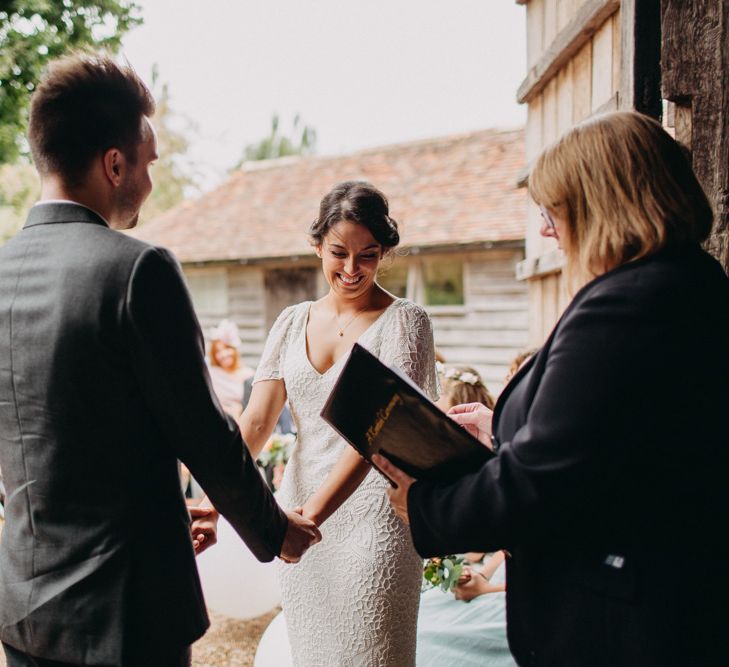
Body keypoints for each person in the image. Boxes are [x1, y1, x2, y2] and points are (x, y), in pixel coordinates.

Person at [0, 52, 319, 667]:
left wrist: (161, 520)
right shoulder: (136, 269)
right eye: (148, 164)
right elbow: (205, 434)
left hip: (24, 611)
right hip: (127, 616)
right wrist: (275, 530)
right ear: (114, 164)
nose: (148, 181)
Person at [376, 111, 729, 666]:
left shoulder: (626, 305)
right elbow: (610, 437)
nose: (545, 230)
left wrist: (425, 506)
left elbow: (544, 480)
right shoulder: (688, 284)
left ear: (601, 205)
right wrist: (500, 429)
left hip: (624, 628)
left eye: (552, 212)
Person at [237, 181, 439, 665]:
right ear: (316, 245)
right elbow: (259, 420)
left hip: (374, 523)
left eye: (368, 255)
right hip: (298, 514)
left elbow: (376, 436)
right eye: (338, 253)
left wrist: (306, 523)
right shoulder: (290, 321)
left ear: (384, 252)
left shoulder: (406, 322)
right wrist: (216, 496)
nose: (352, 269)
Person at [417, 365, 514, 667]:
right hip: (495, 572)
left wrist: (486, 584)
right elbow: (508, 547)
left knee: (424, 634)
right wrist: (482, 575)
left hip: (513, 591)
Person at [207, 319, 253, 418]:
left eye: (227, 348)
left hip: (243, 419)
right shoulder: (211, 374)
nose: (223, 354)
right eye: (218, 351)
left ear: (234, 349)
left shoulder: (248, 374)